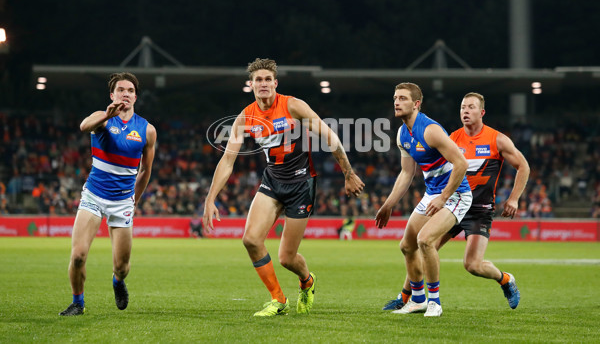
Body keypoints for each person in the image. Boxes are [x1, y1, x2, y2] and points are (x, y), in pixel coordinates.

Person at [203, 58, 364, 317]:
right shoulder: (245, 117)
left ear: (275, 83)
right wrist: (211, 198)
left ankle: (307, 281)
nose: (263, 84)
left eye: (268, 79)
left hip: (301, 184)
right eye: (258, 80)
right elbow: (227, 160)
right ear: (251, 85)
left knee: (287, 258)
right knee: (251, 240)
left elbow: (330, 137)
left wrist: (348, 173)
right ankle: (278, 300)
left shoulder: (293, 106)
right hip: (272, 182)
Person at [382, 92, 529, 312]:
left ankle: (505, 280)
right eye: (462, 107)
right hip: (451, 204)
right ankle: (406, 297)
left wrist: (514, 198)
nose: (465, 111)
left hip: (478, 210)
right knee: (423, 246)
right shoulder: (452, 137)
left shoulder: (497, 139)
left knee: (473, 265)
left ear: (482, 112)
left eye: (471, 107)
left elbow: (523, 166)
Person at [59, 72, 157, 316]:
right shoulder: (101, 119)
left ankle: (117, 281)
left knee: (122, 267)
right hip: (93, 196)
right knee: (78, 255)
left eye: (130, 90)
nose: (126, 93)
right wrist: (106, 114)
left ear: (136, 96)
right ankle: (77, 303)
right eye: (121, 90)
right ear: (112, 95)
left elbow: (145, 170)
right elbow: (83, 126)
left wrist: (135, 200)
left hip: (122, 201)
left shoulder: (147, 130)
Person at [375, 82, 472, 317]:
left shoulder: (430, 130)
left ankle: (434, 302)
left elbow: (462, 163)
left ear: (416, 104)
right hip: (432, 194)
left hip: (456, 194)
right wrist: (388, 205)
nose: (396, 102)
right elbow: (407, 173)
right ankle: (417, 300)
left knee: (425, 241)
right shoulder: (402, 134)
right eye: (395, 98)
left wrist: (444, 197)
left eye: (403, 99)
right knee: (406, 245)